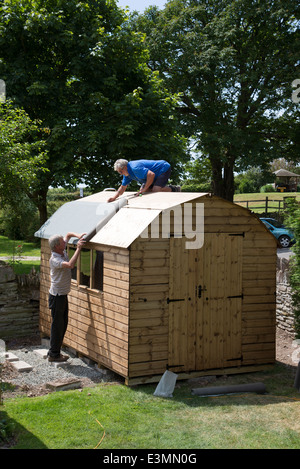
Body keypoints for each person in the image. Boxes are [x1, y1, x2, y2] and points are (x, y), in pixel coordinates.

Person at [47, 232, 86, 362]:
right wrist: (79, 248)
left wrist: (78, 235)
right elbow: (70, 265)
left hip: (62, 295)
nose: (65, 242)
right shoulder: (55, 260)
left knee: (62, 324)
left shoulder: (60, 248)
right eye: (63, 242)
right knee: (58, 326)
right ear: (57, 246)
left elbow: (68, 235)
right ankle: (54, 355)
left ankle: (54, 352)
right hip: (57, 296)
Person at [107, 159, 180, 202]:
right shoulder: (127, 174)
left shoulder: (135, 168)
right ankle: (161, 188)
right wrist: (114, 197)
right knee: (145, 192)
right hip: (151, 176)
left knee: (155, 190)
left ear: (125, 167)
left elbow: (151, 175)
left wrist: (144, 189)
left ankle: (174, 189)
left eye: (120, 171)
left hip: (162, 169)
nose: (120, 174)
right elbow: (123, 187)